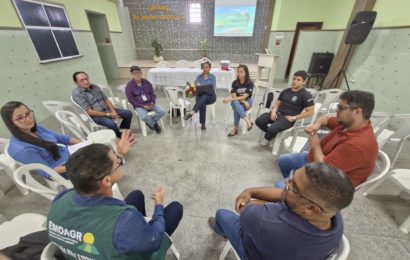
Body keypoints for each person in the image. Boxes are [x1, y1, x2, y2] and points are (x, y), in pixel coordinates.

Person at [47, 144, 183, 259]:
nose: (119, 161)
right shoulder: (125, 222)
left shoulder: (60, 200)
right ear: (106, 181)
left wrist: (118, 154)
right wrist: (159, 205)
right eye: (117, 161)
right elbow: (154, 239)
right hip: (132, 246)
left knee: (136, 195)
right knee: (175, 208)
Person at [208, 163, 354, 260]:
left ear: (311, 208)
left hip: (254, 253)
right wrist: (250, 191)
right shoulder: (332, 213)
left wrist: (252, 196)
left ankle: (221, 230)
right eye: (291, 177)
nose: (286, 183)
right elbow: (283, 196)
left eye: (293, 186)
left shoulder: (266, 221)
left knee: (222, 214)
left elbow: (245, 209)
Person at [1, 101, 136, 178]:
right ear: (10, 122)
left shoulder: (36, 128)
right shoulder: (21, 149)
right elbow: (47, 172)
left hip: (70, 154)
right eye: (20, 118)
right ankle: (109, 170)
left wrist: (85, 145)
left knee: (101, 150)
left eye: (28, 113)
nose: (28, 119)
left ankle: (114, 161)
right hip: (63, 169)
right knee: (106, 163)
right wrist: (79, 163)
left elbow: (64, 138)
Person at [277, 90, 378, 188]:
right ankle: (293, 192)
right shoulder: (348, 124)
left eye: (341, 107)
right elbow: (325, 118)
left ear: (357, 112)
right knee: (283, 161)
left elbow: (324, 168)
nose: (336, 110)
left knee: (278, 187)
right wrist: (315, 125)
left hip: (330, 183)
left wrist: (316, 145)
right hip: (317, 161)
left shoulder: (358, 144)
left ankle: (295, 194)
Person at [255, 70, 315, 145]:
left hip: (288, 118)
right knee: (259, 121)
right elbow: (277, 104)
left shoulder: (306, 95)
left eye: (298, 80)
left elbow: (311, 111)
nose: (295, 81)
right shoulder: (286, 91)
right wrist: (273, 112)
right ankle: (272, 135)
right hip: (277, 113)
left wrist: (294, 118)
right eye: (294, 79)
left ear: (304, 82)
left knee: (272, 129)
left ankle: (268, 137)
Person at [72, 71, 133, 138]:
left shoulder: (95, 87)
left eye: (86, 79)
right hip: (96, 115)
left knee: (128, 113)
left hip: (107, 110)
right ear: (76, 83)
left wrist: (113, 111)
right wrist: (108, 115)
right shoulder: (77, 94)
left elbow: (106, 100)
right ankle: (120, 136)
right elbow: (89, 111)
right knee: (111, 124)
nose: (86, 81)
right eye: (82, 80)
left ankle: (122, 130)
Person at [125, 65, 165, 134]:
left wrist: (152, 102)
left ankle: (149, 122)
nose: (137, 75)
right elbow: (131, 100)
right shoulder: (129, 86)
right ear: (132, 74)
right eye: (134, 73)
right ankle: (155, 125)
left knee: (162, 111)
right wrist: (143, 106)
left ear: (141, 73)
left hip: (150, 103)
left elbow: (152, 94)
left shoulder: (147, 83)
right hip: (139, 105)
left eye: (138, 72)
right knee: (144, 116)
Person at [183, 61, 216, 132]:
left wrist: (202, 88)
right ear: (202, 68)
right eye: (204, 67)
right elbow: (196, 88)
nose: (205, 69)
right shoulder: (198, 77)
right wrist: (200, 88)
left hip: (211, 96)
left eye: (207, 67)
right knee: (202, 101)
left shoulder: (212, 77)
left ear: (210, 68)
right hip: (201, 96)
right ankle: (203, 124)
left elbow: (212, 89)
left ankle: (192, 112)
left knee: (203, 97)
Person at [223, 64, 254, 137]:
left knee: (236, 107)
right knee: (236, 104)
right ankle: (247, 120)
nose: (239, 74)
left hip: (248, 101)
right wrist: (243, 101)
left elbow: (245, 96)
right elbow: (234, 96)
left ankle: (235, 129)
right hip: (239, 102)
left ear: (246, 73)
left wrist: (230, 99)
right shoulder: (235, 83)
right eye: (238, 72)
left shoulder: (250, 83)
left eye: (241, 72)